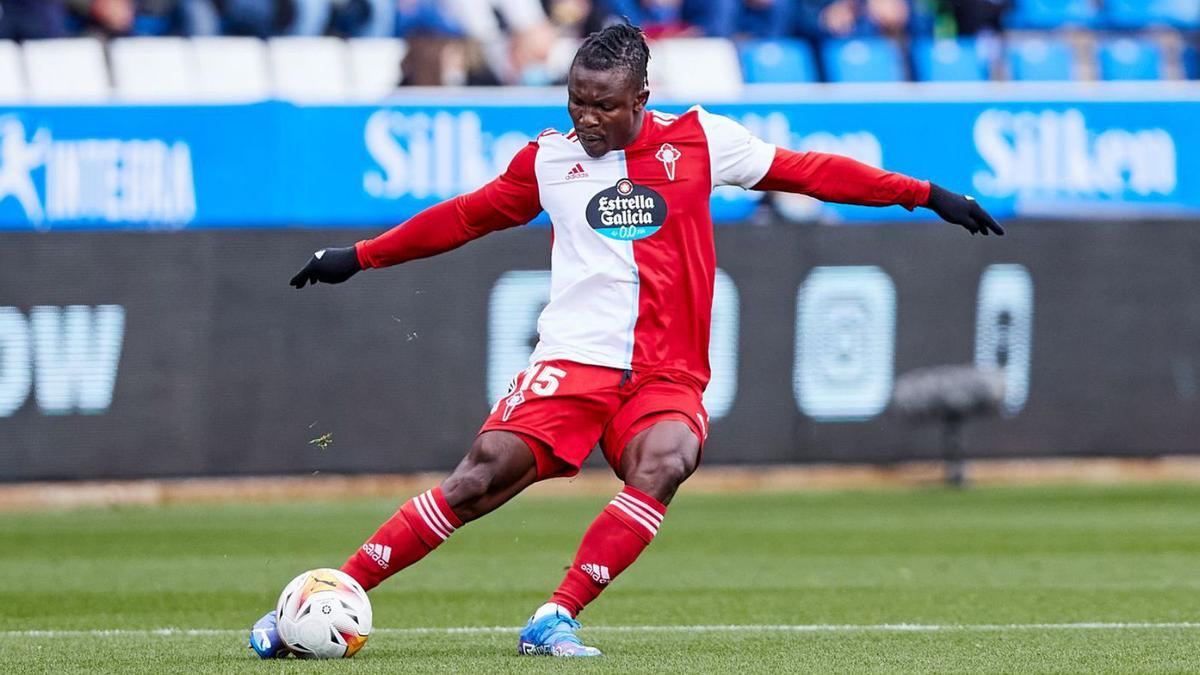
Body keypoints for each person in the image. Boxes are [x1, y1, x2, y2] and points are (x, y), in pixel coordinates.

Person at [250, 21, 1003, 659]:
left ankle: (556, 616)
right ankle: (322, 598)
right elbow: (463, 216)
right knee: (479, 476)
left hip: (664, 372)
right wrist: (360, 255)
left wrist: (927, 195)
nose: (587, 118)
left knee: (668, 457)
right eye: (577, 100)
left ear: (641, 99)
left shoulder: (704, 141)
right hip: (573, 362)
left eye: (604, 106)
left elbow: (812, 172)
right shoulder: (549, 160)